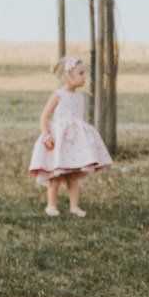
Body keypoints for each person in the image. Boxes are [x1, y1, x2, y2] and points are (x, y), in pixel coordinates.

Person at [29, 56, 113, 217]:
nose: (84, 77)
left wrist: (88, 136)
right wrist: (46, 135)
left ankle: (74, 206)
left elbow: (80, 119)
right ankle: (51, 205)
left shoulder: (79, 96)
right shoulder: (58, 95)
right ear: (68, 76)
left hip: (74, 142)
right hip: (59, 141)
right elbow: (44, 116)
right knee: (56, 175)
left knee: (73, 176)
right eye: (80, 73)